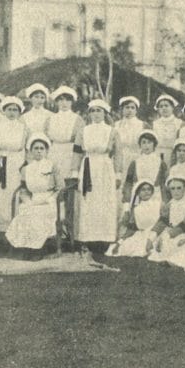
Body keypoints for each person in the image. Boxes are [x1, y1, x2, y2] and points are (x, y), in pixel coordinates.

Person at [6, 134, 63, 257]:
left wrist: (51, 198)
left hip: (49, 199)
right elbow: (23, 189)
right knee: (25, 214)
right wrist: (27, 201)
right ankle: (26, 249)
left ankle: (38, 250)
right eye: (35, 148)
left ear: (46, 151)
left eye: (41, 148)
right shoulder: (26, 169)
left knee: (38, 216)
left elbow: (60, 187)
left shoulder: (52, 166)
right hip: (33, 199)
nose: (38, 151)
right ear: (31, 151)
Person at [75, 99, 118, 255]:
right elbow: (77, 152)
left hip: (105, 168)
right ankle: (88, 238)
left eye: (99, 111)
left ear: (105, 113)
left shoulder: (111, 130)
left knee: (104, 201)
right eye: (92, 111)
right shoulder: (83, 130)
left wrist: (118, 173)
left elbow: (118, 153)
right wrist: (74, 170)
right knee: (88, 201)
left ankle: (104, 238)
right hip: (88, 167)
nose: (96, 114)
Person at [0, 96, 29, 232]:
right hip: (1, 163)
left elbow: (28, 149)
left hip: (17, 164)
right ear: (4, 111)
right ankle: (1, 230)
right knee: (0, 194)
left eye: (15, 110)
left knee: (16, 194)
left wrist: (26, 167)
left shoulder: (24, 128)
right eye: (9, 109)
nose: (12, 113)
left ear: (19, 112)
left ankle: (17, 229)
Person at [148, 175, 185, 262]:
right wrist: (152, 238)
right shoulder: (170, 203)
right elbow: (162, 221)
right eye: (173, 188)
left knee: (175, 248)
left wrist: (168, 234)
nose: (176, 191)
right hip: (171, 231)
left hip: (184, 233)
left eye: (179, 188)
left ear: (184, 189)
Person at [111, 180, 164, 258]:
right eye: (143, 190)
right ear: (138, 193)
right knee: (126, 247)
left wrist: (151, 238)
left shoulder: (159, 204)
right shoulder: (136, 209)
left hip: (157, 233)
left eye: (149, 189)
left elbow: (162, 223)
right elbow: (132, 229)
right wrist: (119, 242)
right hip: (142, 234)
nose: (146, 192)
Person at [47, 86, 84, 182]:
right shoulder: (50, 119)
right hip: (53, 152)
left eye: (68, 100)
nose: (64, 103)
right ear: (56, 102)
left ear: (72, 102)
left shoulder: (78, 119)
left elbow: (80, 142)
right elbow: (47, 139)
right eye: (61, 100)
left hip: (71, 153)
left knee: (68, 181)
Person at [113, 96, 145, 181]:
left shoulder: (142, 125)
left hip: (136, 157)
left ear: (136, 110)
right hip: (119, 159)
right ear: (122, 109)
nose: (129, 110)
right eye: (127, 107)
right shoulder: (116, 125)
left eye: (132, 108)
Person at [152, 94, 182, 163]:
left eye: (166, 105)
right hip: (157, 153)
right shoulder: (155, 123)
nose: (164, 108)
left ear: (172, 107)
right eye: (161, 106)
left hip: (173, 154)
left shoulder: (179, 123)